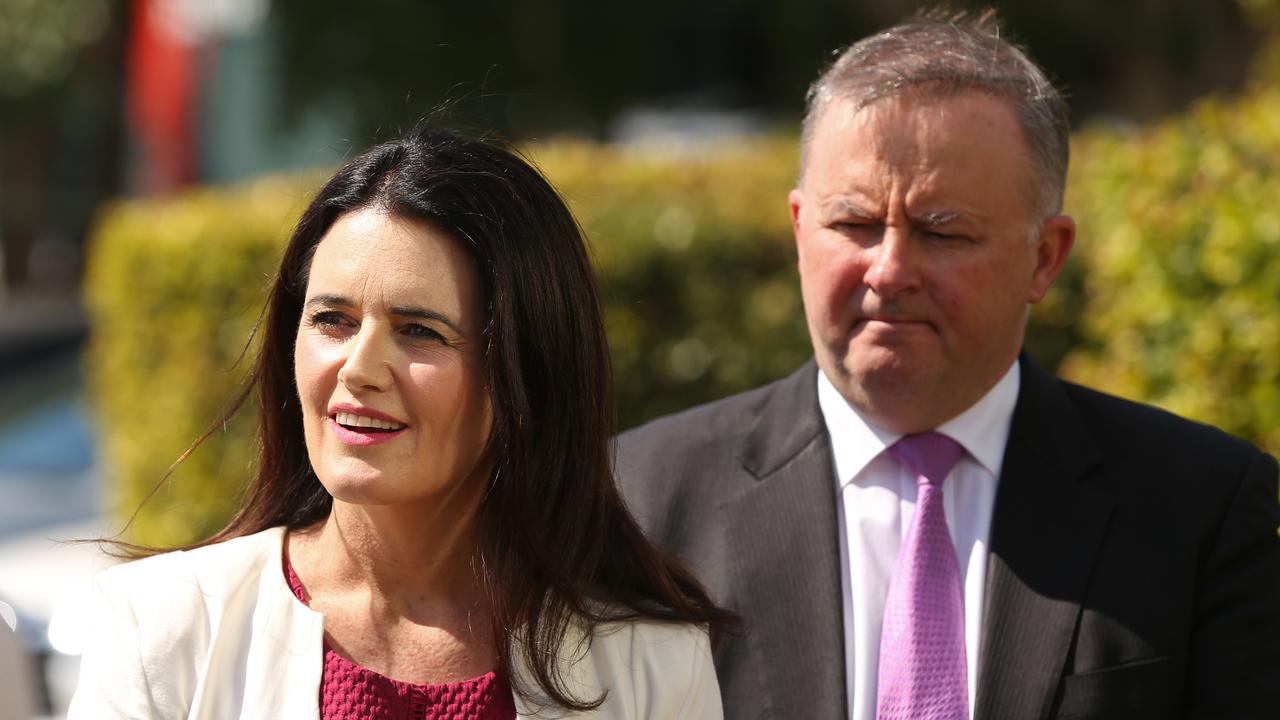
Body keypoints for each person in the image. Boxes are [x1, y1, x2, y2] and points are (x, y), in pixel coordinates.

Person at [616, 10, 1280, 719]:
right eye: (854, 225)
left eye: (943, 231)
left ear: (1045, 256)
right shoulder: (638, 503)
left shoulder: (1203, 508)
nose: (890, 269)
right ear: (799, 229)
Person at [69, 126, 731, 719]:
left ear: (530, 371)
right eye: (332, 320)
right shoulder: (163, 628)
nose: (360, 368)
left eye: (419, 331)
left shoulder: (651, 663)